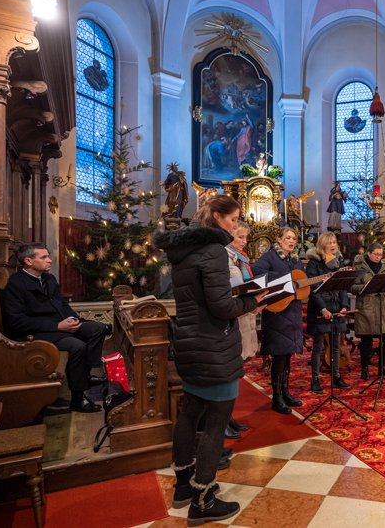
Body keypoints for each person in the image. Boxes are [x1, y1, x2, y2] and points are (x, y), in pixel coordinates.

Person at [154, 195, 264, 524]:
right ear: (217, 217)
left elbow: (199, 299)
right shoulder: (213, 250)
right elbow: (220, 307)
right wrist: (252, 303)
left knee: (190, 414)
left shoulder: (182, 251)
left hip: (188, 342)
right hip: (214, 345)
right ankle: (203, 500)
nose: (235, 225)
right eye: (233, 219)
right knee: (217, 421)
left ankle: (184, 487)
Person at [1, 243, 106, 413]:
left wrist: (73, 318)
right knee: (77, 346)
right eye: (43, 257)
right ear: (28, 261)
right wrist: (58, 326)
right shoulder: (15, 284)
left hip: (60, 325)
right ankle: (78, 400)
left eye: (48, 256)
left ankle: (84, 375)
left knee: (98, 328)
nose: (49, 260)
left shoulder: (48, 279)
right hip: (36, 333)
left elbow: (62, 304)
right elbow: (17, 322)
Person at [252, 227, 305, 414]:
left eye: (294, 238)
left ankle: (285, 392)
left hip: (292, 311)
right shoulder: (270, 256)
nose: (291, 241)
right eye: (288, 238)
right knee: (278, 356)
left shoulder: (295, 259)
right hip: (276, 313)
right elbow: (256, 272)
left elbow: (301, 280)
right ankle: (277, 397)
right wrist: (285, 279)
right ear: (280, 240)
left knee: (287, 355)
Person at [225, 221, 257, 439]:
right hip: (235, 314)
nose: (244, 242)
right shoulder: (226, 258)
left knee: (237, 369)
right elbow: (233, 285)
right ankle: (224, 419)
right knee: (231, 369)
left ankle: (229, 417)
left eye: (246, 238)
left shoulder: (241, 259)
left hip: (245, 312)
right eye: (240, 237)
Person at [305, 232, 350, 392]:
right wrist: (323, 308)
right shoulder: (314, 263)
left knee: (336, 345)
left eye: (334, 243)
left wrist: (344, 305)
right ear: (322, 244)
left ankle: (336, 375)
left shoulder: (338, 261)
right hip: (320, 309)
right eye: (329, 242)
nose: (333, 245)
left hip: (337, 307)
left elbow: (343, 285)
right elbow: (312, 289)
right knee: (318, 346)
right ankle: (315, 379)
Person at [352, 242, 385, 380]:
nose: (378, 257)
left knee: (384, 339)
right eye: (375, 254)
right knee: (366, 341)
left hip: (383, 307)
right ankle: (365, 369)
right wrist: (365, 287)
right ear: (368, 254)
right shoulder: (359, 267)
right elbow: (351, 287)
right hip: (366, 307)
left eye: (380, 255)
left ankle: (382, 368)